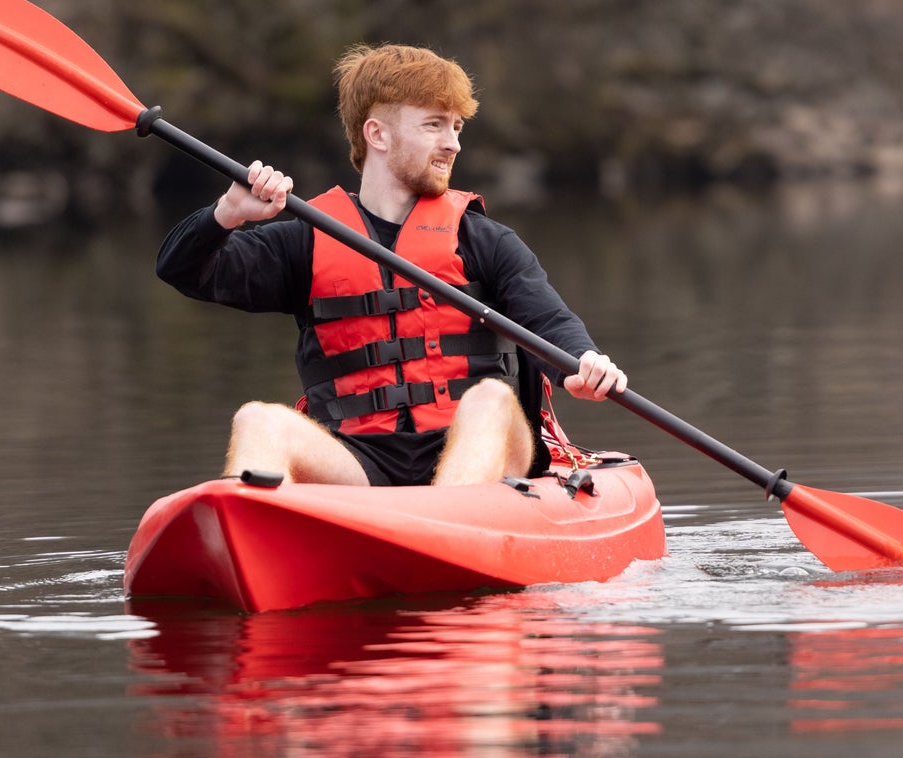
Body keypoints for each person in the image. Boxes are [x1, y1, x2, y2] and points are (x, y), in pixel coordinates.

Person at [155, 42, 626, 487]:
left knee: (491, 398)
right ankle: (249, 530)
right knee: (258, 420)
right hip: (361, 463)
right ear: (377, 134)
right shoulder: (306, 241)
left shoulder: (483, 240)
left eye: (457, 127)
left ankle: (443, 519)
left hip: (479, 452)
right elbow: (182, 268)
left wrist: (582, 361)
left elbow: (549, 321)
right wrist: (227, 213)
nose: (453, 144)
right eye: (434, 125)